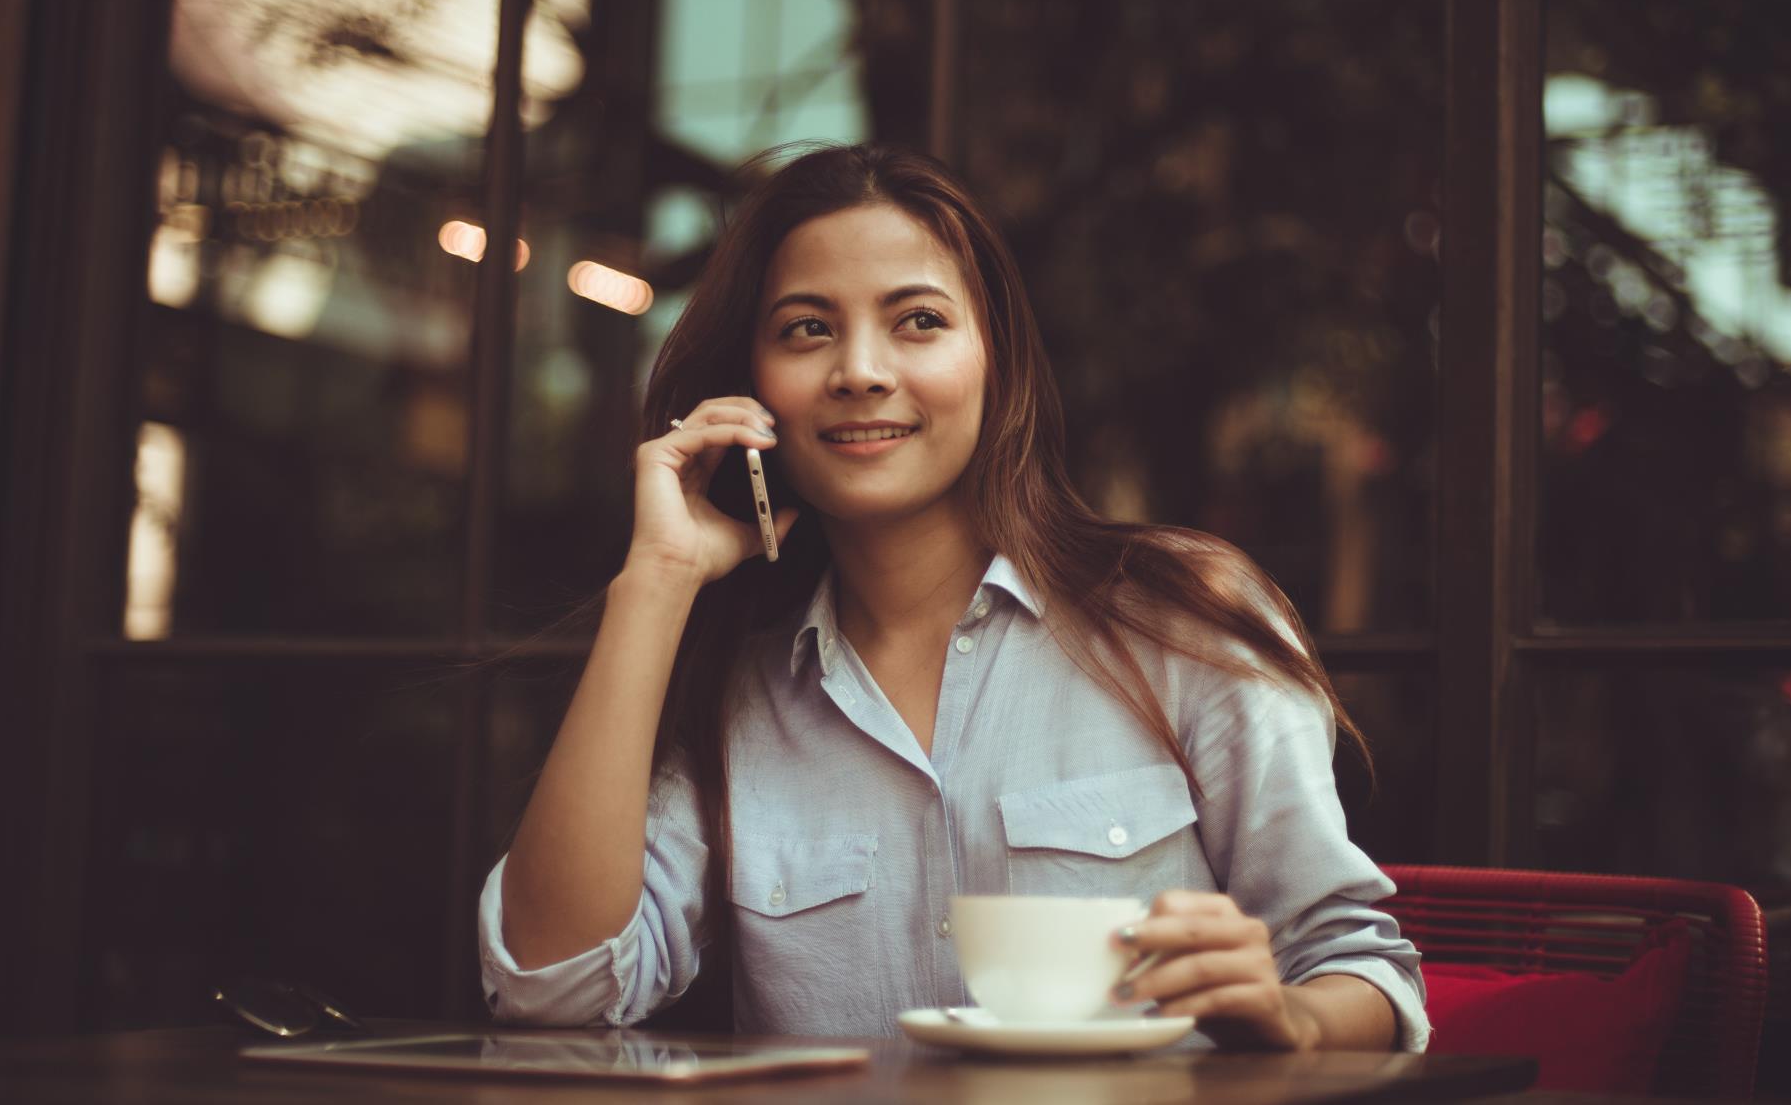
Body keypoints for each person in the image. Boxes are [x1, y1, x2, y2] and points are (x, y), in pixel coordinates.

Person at [478, 142, 1428, 1051]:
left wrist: (1289, 1018)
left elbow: (1361, 969)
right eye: (808, 328)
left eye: (918, 320)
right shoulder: (735, 693)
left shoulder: (1178, 618)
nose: (859, 370)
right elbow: (549, 987)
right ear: (754, 388)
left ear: (995, 362)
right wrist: (655, 582)